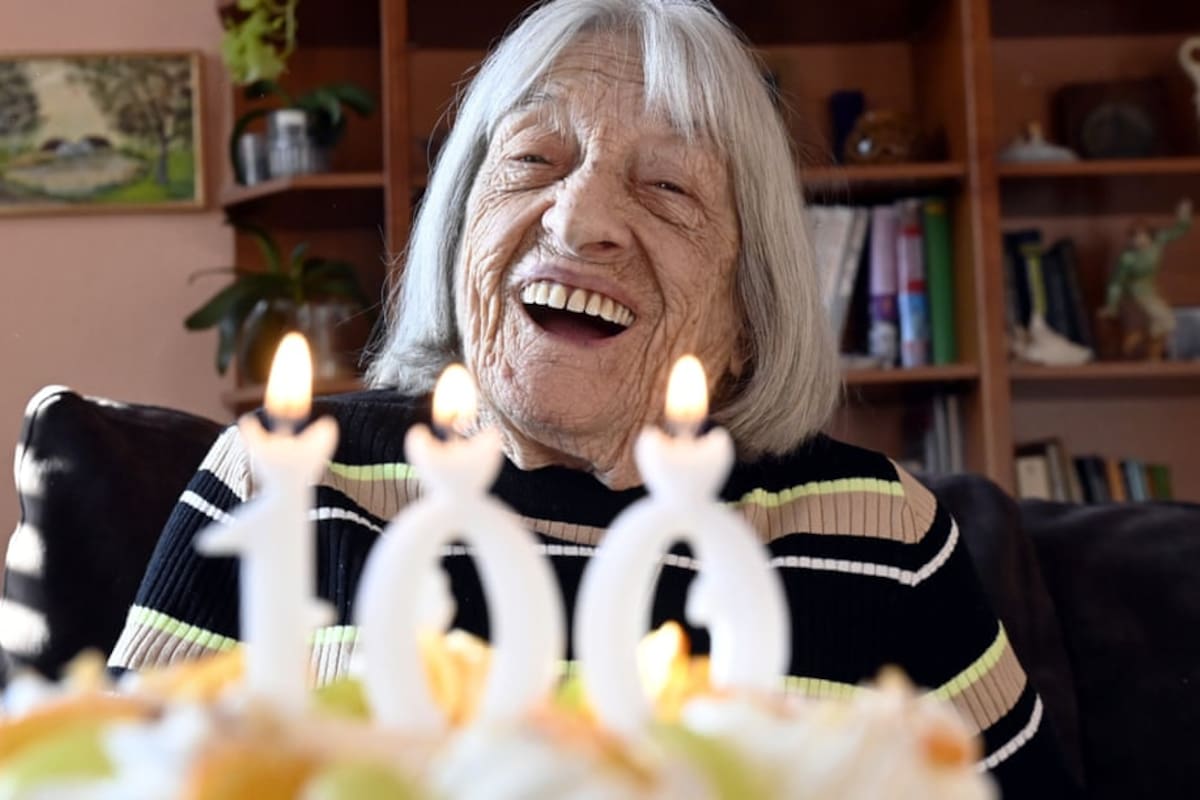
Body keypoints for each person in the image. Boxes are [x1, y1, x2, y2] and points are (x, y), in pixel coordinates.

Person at [110, 0, 1077, 793]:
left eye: (666, 187)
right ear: (459, 232)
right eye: (532, 160)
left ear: (748, 309)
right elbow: (111, 772)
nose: (580, 219)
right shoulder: (285, 479)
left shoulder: (881, 533)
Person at [1100, 198, 1193, 359]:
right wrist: (1112, 305)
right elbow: (1116, 283)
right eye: (1134, 237)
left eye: (1142, 236)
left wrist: (1183, 215)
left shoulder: (1158, 242)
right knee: (1168, 321)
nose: (1139, 241)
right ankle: (1138, 338)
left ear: (1149, 235)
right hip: (1138, 291)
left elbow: (1179, 231)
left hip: (1152, 288)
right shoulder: (1127, 258)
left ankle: (1149, 352)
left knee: (1157, 326)